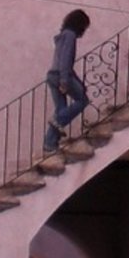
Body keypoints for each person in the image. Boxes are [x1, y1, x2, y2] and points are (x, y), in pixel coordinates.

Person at [45, 9, 92, 151]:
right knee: (83, 100)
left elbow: (64, 63)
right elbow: (65, 60)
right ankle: (57, 121)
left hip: (52, 75)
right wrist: (65, 81)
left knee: (61, 109)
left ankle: (50, 144)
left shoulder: (62, 36)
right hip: (61, 75)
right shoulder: (70, 36)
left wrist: (80, 83)